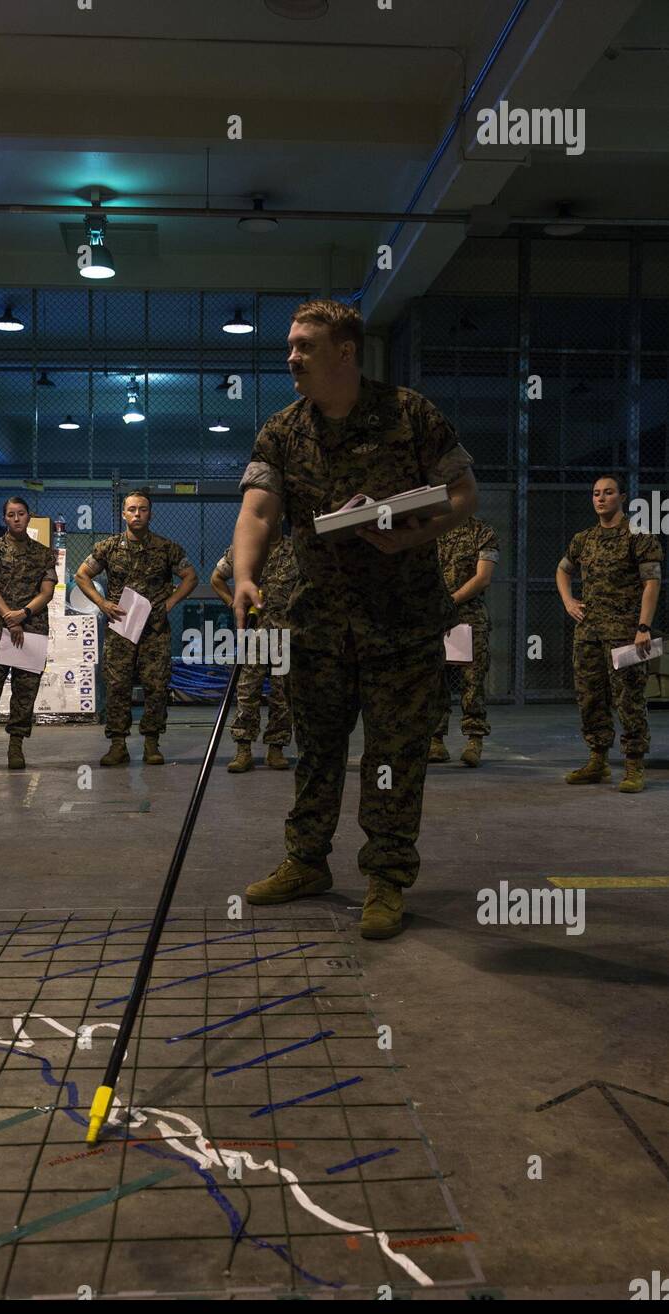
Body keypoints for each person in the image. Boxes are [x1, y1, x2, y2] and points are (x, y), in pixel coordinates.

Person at [231, 299, 478, 940]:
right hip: (316, 622)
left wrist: (411, 532)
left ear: (345, 351)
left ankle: (387, 879)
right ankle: (307, 862)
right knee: (317, 751)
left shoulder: (409, 414)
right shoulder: (283, 430)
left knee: (394, 754)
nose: (291, 356)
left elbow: (461, 495)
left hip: (401, 623)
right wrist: (248, 573)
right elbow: (260, 510)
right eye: (290, 345)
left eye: (305, 345)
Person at [74, 489, 197, 765]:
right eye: (132, 509)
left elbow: (190, 577)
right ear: (123, 514)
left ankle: (152, 744)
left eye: (142, 509)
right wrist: (102, 603)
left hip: (154, 630)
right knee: (118, 686)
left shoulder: (167, 548)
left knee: (156, 685)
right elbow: (81, 575)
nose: (137, 514)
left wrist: (169, 603)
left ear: (150, 513)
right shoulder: (108, 547)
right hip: (121, 628)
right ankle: (118, 745)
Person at [556, 474, 662, 793]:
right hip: (588, 632)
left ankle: (633, 766)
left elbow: (652, 583)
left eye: (608, 493)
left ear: (622, 497)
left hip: (625, 632)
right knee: (590, 698)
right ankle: (598, 761)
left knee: (628, 698)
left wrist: (643, 627)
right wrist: (568, 601)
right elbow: (563, 569)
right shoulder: (584, 539)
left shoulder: (639, 536)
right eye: (596, 494)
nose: (601, 498)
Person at [0, 496, 57, 771]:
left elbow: (47, 591)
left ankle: (16, 745)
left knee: (25, 691)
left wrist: (24, 614)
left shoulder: (44, 554)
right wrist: (9, 616)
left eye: (21, 514)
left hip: (31, 630)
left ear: (29, 517)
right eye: (11, 514)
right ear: (4, 518)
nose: (16, 519)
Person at [211, 525, 298, 772]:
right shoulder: (245, 549)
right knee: (247, 691)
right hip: (252, 633)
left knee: (282, 693)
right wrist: (233, 603)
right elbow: (216, 579)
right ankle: (243, 750)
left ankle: (276, 749)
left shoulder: (294, 549)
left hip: (285, 633)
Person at [429, 516, 499, 768]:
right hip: (434, 617)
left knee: (473, 681)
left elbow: (483, 577)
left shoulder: (482, 532)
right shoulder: (431, 530)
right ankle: (435, 740)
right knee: (434, 680)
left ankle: (474, 740)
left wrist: (451, 601)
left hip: (469, 618)